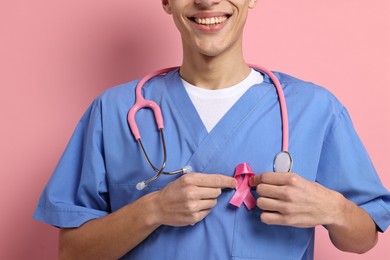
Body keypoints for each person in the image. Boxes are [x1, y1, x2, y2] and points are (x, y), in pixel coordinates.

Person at [34, 0, 390, 259]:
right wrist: (152, 209)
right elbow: (73, 252)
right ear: (167, 1)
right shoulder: (113, 111)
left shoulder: (314, 109)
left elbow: (362, 240)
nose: (207, 0)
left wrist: (335, 210)